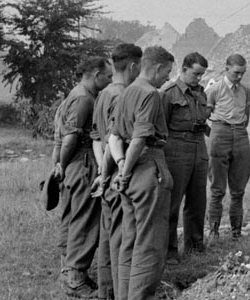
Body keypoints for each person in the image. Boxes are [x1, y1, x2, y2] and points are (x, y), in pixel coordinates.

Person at [109, 46, 174, 300]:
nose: (168, 77)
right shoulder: (150, 93)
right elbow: (139, 139)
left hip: (129, 172)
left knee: (130, 241)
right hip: (148, 168)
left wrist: (122, 168)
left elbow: (114, 136)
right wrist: (124, 171)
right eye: (167, 72)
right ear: (157, 68)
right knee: (150, 244)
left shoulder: (126, 92)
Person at [52, 56, 112, 298]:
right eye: (107, 76)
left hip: (74, 164)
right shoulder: (85, 98)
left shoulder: (75, 93)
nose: (109, 81)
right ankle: (75, 277)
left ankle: (71, 271)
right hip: (83, 162)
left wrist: (59, 165)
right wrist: (61, 164)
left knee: (73, 217)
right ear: (95, 74)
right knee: (85, 221)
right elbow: (70, 138)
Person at [90, 43, 142, 300]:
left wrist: (101, 172)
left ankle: (106, 292)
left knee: (107, 238)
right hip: (115, 176)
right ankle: (118, 294)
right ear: (133, 66)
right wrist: (111, 170)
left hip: (105, 176)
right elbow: (114, 139)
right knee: (122, 242)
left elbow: (96, 138)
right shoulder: (124, 94)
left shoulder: (103, 93)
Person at [161, 52, 209, 263]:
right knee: (172, 202)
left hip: (199, 146)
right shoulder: (168, 93)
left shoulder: (201, 93)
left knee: (198, 201)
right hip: (176, 149)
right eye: (196, 74)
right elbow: (160, 127)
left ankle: (195, 245)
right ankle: (169, 251)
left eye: (202, 75)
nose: (199, 79)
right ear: (184, 69)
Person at [205, 54, 250, 241]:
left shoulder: (245, 90)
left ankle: (236, 232)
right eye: (236, 73)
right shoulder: (214, 89)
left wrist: (237, 131)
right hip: (220, 132)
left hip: (240, 134)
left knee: (238, 189)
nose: (239, 77)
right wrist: (217, 133)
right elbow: (205, 115)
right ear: (226, 69)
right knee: (217, 188)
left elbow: (246, 114)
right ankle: (214, 231)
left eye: (242, 73)